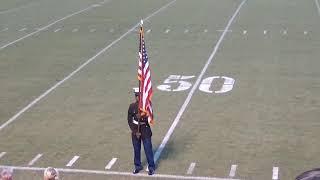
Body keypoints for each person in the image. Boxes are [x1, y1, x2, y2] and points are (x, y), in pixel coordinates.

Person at [128, 88, 155, 175]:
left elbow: (150, 117)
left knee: (148, 149)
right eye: (136, 96)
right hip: (136, 130)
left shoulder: (147, 106)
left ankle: (151, 167)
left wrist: (143, 117)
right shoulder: (132, 106)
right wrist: (135, 131)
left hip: (145, 129)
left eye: (139, 96)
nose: (138, 98)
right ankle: (137, 166)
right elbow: (129, 119)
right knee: (136, 149)